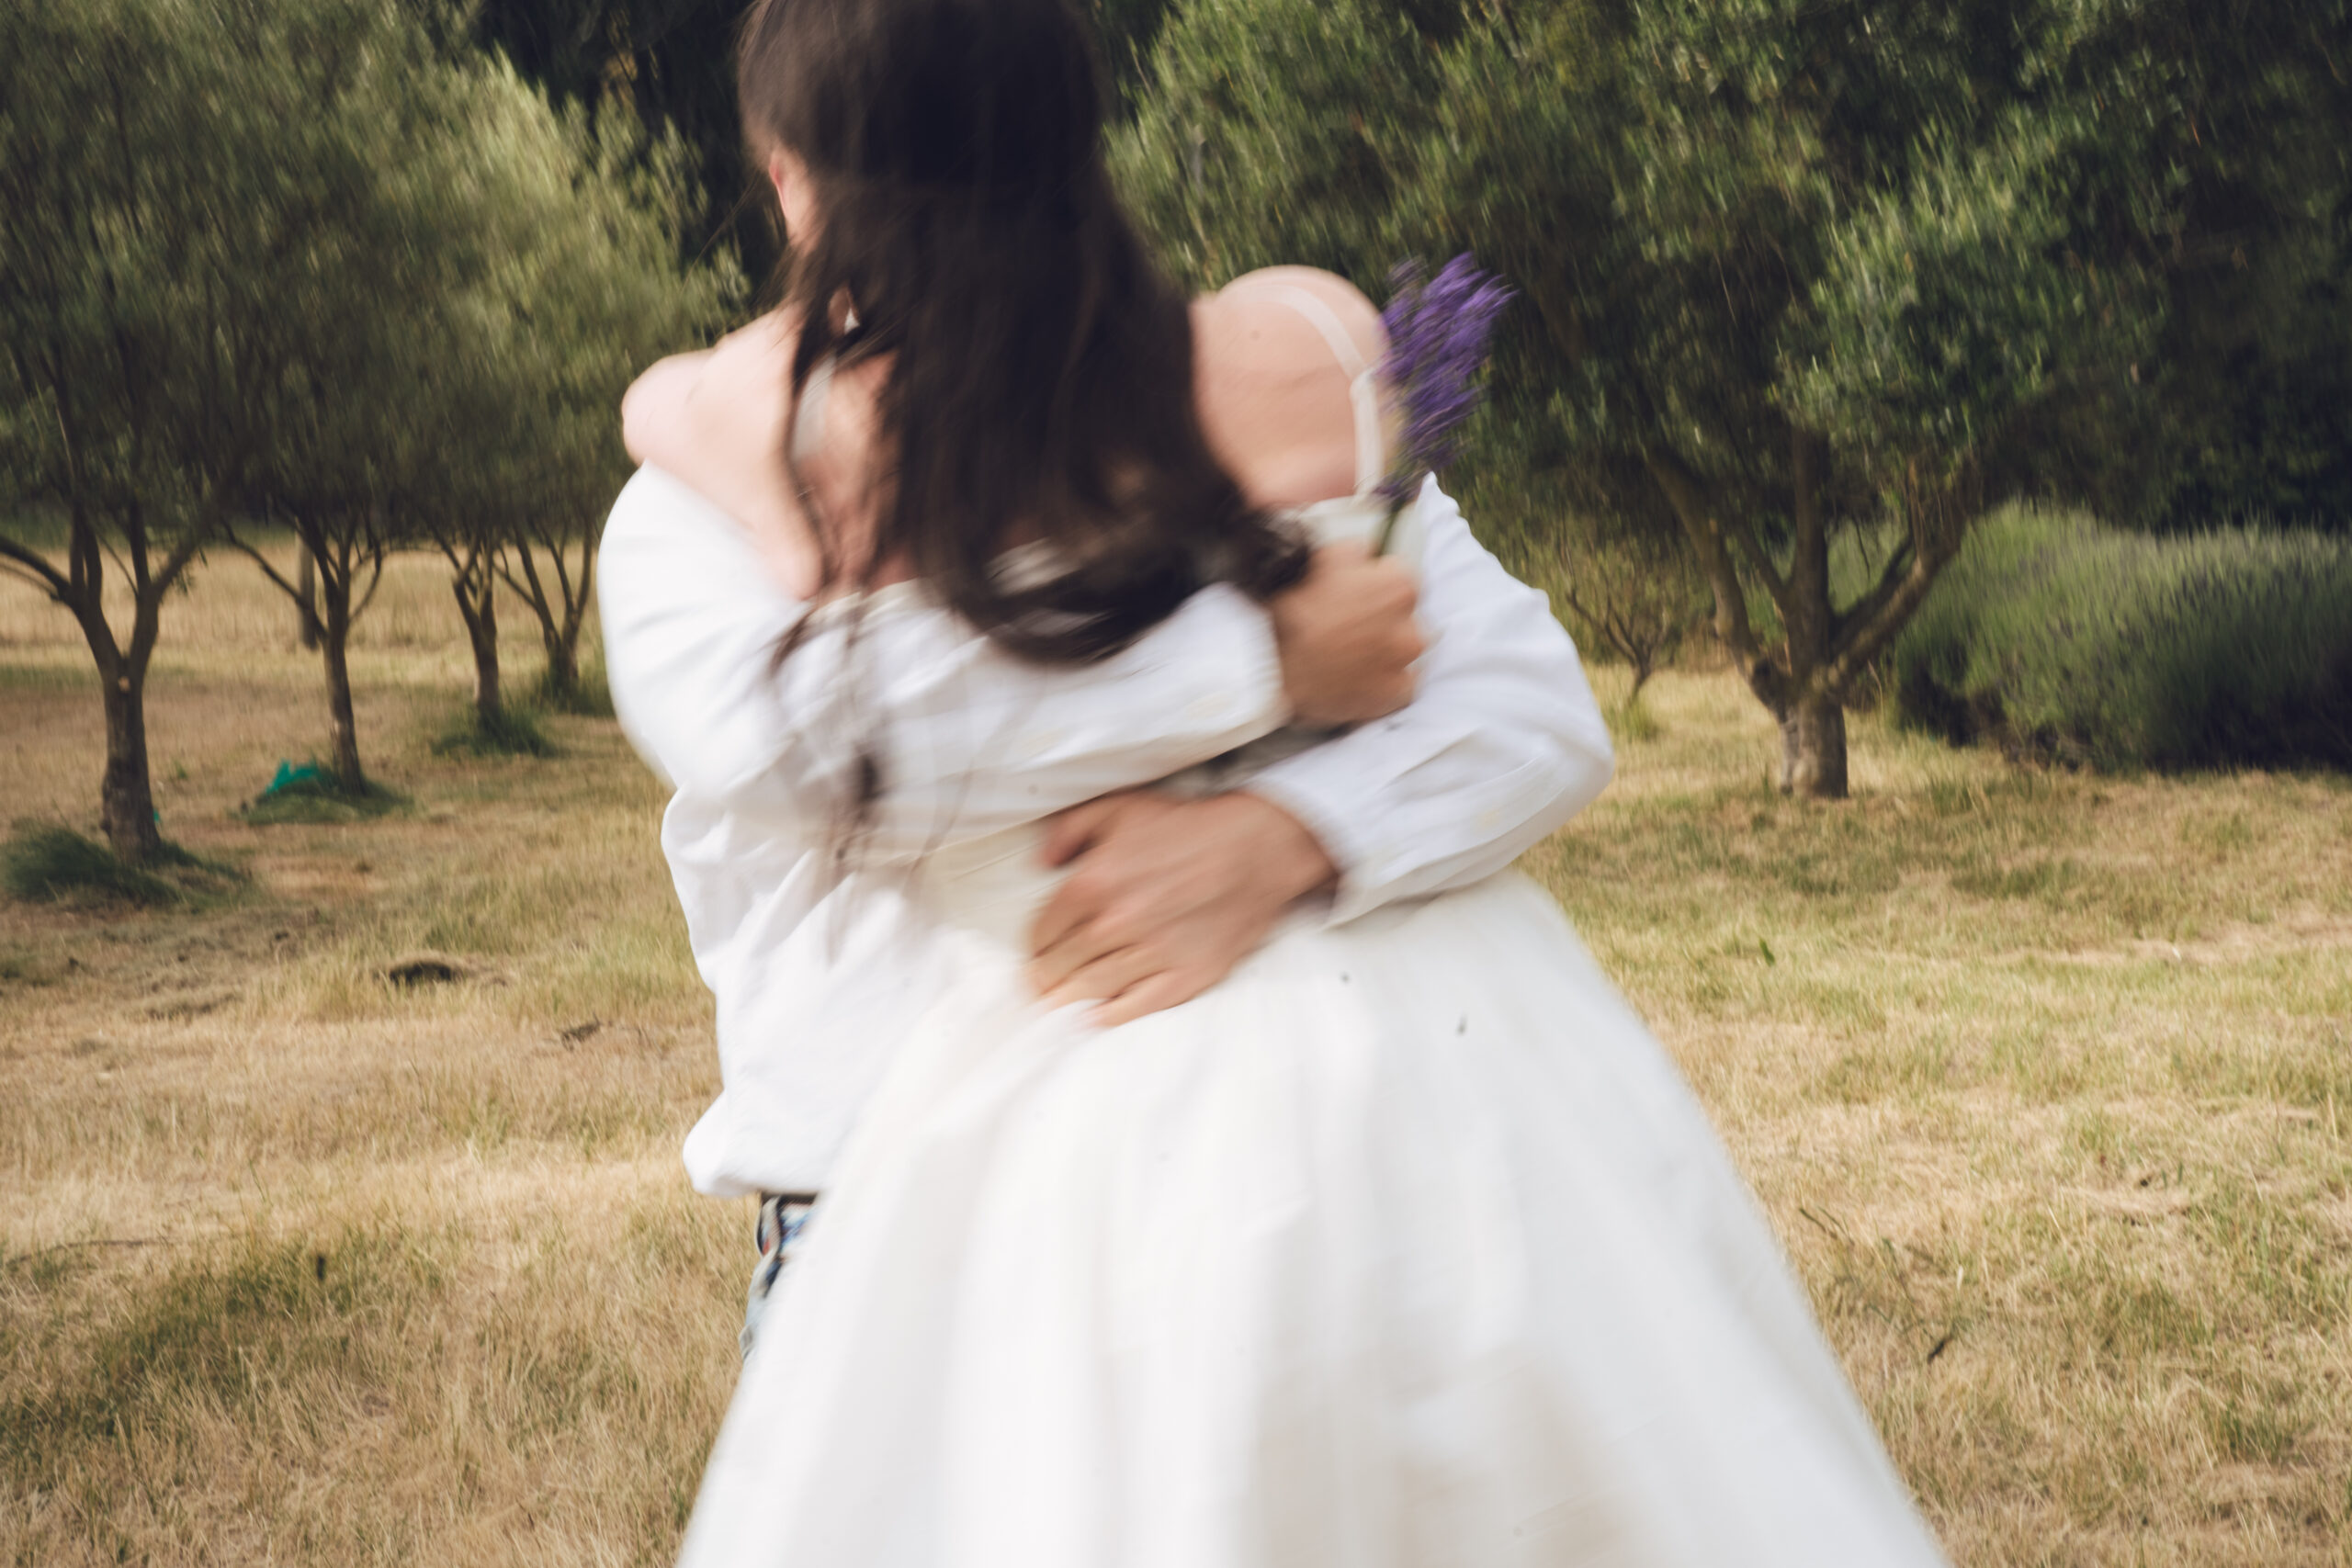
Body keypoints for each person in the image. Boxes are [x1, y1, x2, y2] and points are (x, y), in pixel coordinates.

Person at [601, 0, 1951, 1562]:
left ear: (786, 176)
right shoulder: (708, 507)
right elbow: (811, 752)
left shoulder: (1246, 408)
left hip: (1356, 1208)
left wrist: (1289, 833)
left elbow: (1528, 700)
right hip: (898, 1237)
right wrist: (1267, 665)